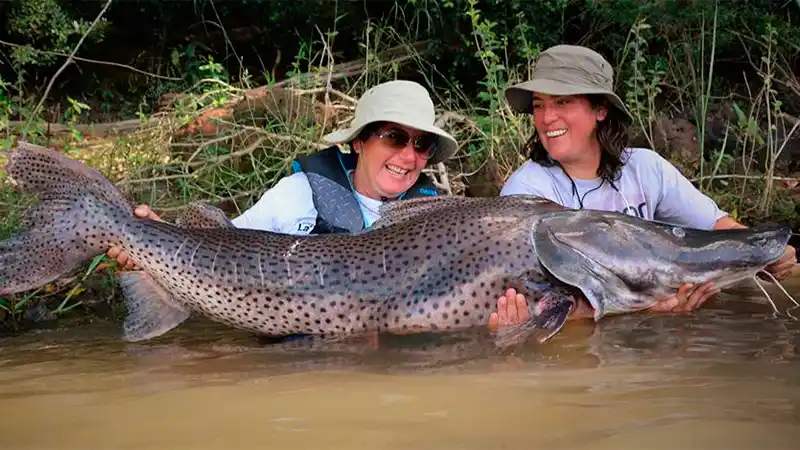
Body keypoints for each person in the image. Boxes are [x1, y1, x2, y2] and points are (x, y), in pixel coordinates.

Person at [107, 80, 529, 334]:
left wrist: (507, 329)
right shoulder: (297, 194)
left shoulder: (443, 222)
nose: (408, 155)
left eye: (422, 144)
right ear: (360, 140)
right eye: (395, 138)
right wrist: (150, 241)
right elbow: (218, 250)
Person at [488, 44, 798, 327]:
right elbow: (545, 308)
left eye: (563, 102)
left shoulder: (645, 167)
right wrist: (648, 310)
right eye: (539, 105)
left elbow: (717, 227)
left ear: (600, 110)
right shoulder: (526, 190)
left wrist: (766, 254)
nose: (547, 118)